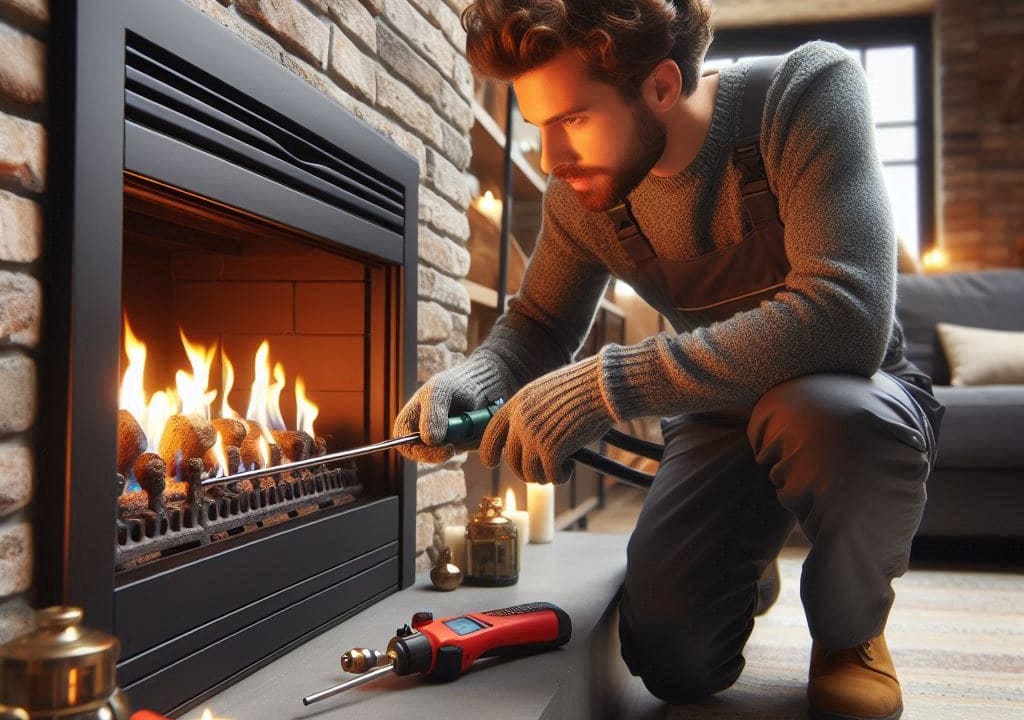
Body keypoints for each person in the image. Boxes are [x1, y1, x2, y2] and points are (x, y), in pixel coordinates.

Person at [394, 2, 944, 719]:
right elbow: (537, 322)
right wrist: (468, 380)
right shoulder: (580, 195)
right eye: (538, 127)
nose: (554, 159)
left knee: (820, 415)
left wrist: (607, 383)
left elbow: (846, 317)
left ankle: (851, 632)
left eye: (574, 120)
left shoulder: (807, 93)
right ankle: (745, 562)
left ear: (659, 85)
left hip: (851, 400)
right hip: (719, 419)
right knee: (672, 658)